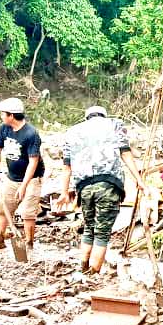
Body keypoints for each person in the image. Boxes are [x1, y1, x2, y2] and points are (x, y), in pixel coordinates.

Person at [57, 105, 146, 274]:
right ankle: (93, 274)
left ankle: (83, 267)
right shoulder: (114, 124)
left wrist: (63, 192)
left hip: (84, 188)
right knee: (102, 233)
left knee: (89, 228)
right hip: (108, 184)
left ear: (87, 117)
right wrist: (139, 180)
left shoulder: (72, 132)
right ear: (103, 116)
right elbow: (125, 153)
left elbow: (67, 167)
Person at [0, 97, 45, 250]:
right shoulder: (4, 128)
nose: (1, 116)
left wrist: (24, 186)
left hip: (32, 179)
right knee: (2, 208)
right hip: (11, 178)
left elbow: (33, 162)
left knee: (28, 213)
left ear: (11, 115)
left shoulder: (31, 134)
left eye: (3, 114)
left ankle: (28, 243)